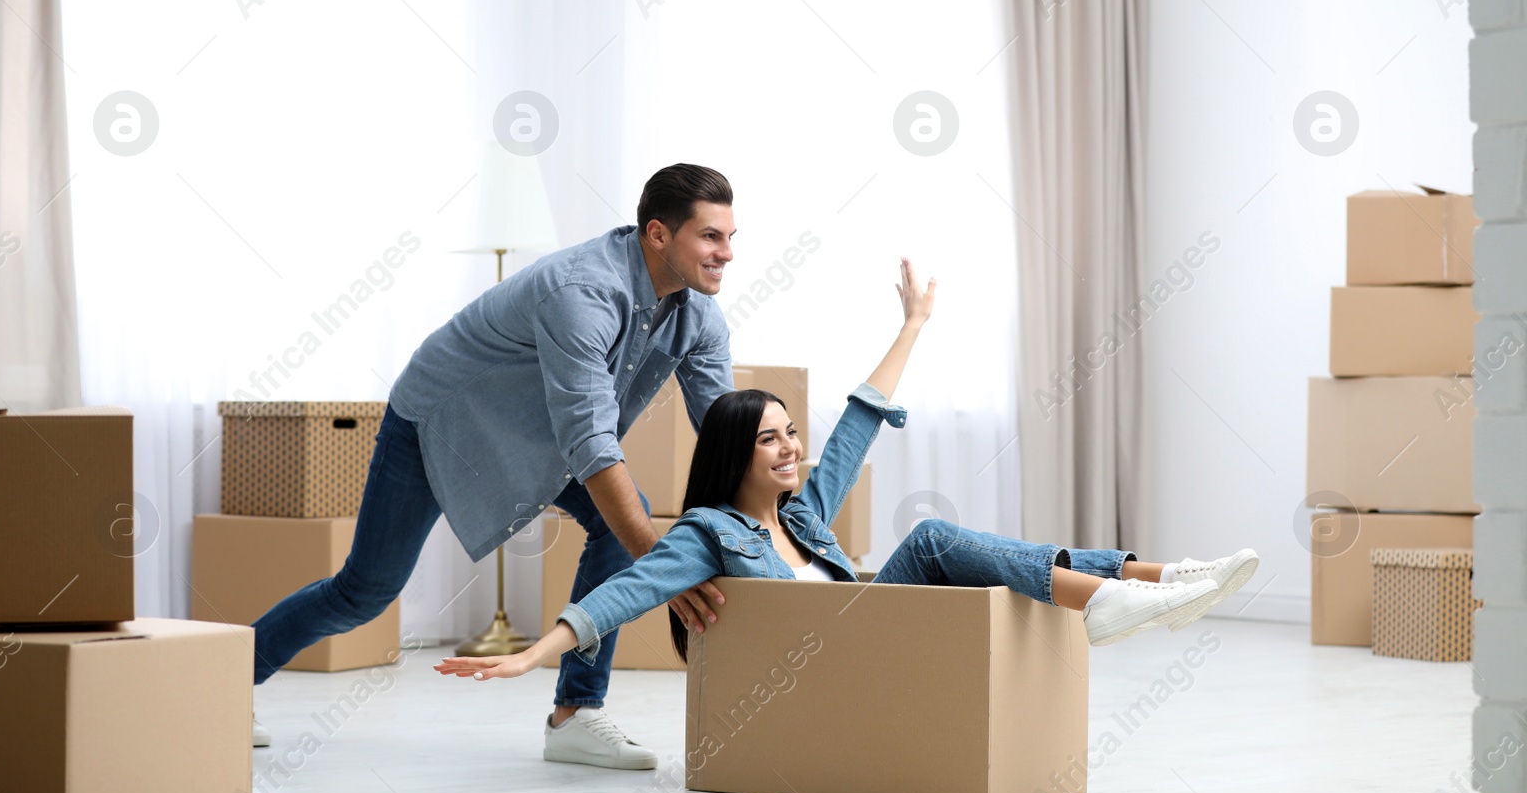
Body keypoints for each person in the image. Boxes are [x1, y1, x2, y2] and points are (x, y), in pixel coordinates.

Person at [435, 258, 1259, 690]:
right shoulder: (709, 534)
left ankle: (1156, 578)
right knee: (935, 535)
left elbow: (861, 417)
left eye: (792, 432)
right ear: (734, 455)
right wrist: (533, 654)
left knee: (940, 543)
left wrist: (914, 323)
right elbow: (626, 592)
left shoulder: (802, 511)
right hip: (819, 659)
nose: (792, 448)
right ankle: (1118, 598)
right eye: (771, 440)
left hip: (868, 625)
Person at [250, 163, 741, 770]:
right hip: (441, 422)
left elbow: (729, 431)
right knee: (364, 591)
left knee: (623, 523)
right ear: (659, 235)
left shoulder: (699, 316)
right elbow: (590, 440)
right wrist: (664, 567)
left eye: (729, 238)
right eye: (711, 237)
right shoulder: (582, 292)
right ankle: (222, 686)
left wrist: (778, 517)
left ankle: (576, 715)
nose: (725, 254)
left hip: (542, 437)